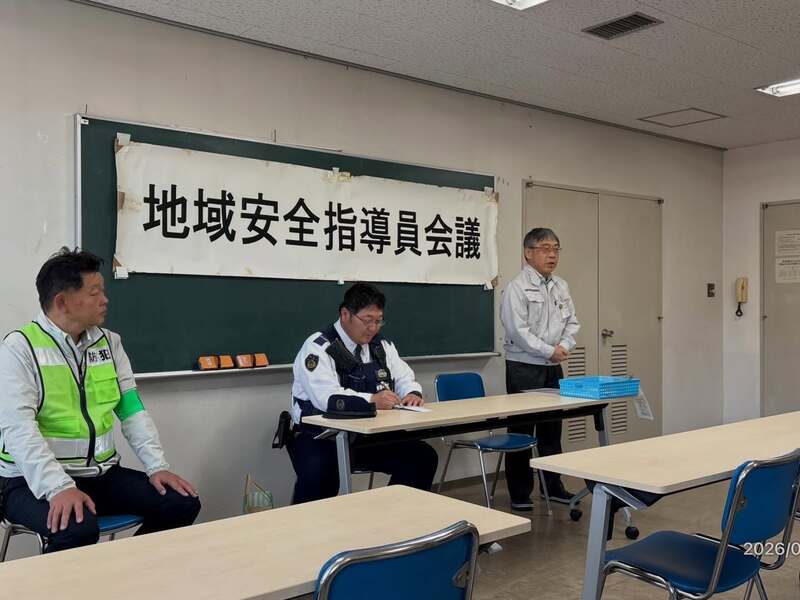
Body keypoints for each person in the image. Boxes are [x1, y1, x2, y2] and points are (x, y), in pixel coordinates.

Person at [0, 248, 200, 552]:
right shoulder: (19, 349)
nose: (105, 300)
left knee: (181, 502)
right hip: (27, 481)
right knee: (77, 529)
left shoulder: (110, 343)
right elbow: (19, 429)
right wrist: (58, 487)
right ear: (62, 302)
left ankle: (125, 574)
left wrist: (157, 466)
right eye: (94, 293)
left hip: (100, 474)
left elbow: (132, 411)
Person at [287, 282, 438, 504]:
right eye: (367, 320)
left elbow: (403, 376)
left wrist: (412, 393)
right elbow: (326, 398)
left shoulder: (381, 345)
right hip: (319, 436)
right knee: (320, 477)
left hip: (366, 435)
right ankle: (302, 525)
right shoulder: (318, 347)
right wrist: (372, 400)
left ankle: (393, 519)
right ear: (345, 314)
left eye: (379, 320)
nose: (373, 328)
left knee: (421, 458)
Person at [500, 228, 580, 511]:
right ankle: (520, 492)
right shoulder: (517, 287)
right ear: (528, 252)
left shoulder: (561, 286)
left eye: (556, 248)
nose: (552, 254)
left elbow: (572, 322)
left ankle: (552, 486)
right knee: (522, 432)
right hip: (524, 367)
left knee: (551, 431)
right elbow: (518, 331)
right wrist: (549, 350)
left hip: (552, 367)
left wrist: (564, 346)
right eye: (545, 248)